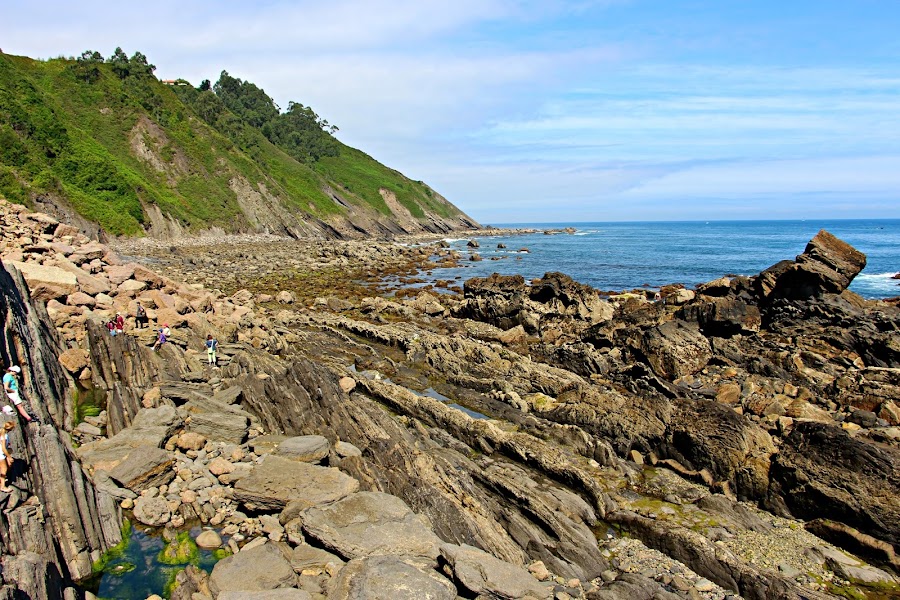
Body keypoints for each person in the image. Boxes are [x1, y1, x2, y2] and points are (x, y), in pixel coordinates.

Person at [0, 421, 16, 492]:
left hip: (1, 453)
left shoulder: (1, 432)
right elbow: (3, 448)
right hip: (0, 454)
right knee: (4, 469)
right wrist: (9, 457)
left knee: (7, 465)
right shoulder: (4, 436)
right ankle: (2, 486)